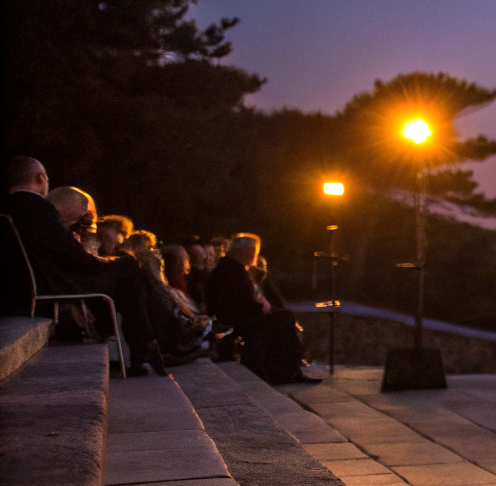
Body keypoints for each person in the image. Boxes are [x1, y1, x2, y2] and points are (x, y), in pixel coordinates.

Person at [1, 157, 168, 375]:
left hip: (33, 284)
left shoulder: (8, 208)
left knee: (123, 271)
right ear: (40, 179)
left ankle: (147, 347)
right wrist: (97, 258)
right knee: (127, 265)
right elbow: (74, 258)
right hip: (56, 282)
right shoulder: (38, 208)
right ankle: (147, 348)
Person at [206, 233, 314, 384]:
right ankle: (289, 370)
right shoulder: (232, 271)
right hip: (234, 321)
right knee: (284, 317)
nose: (255, 256)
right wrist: (265, 310)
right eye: (254, 252)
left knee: (282, 317)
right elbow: (245, 303)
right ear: (245, 251)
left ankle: (289, 369)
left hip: (237, 317)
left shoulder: (232, 268)